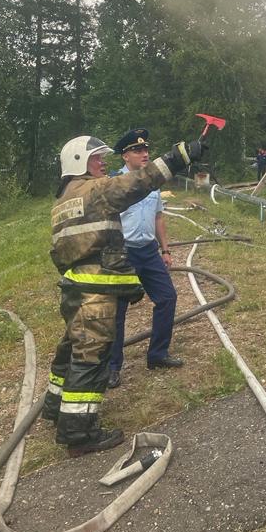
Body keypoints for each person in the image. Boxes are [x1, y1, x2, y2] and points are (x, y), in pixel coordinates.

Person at [42, 133, 206, 457]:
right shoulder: (94, 191)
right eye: (96, 159)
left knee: (69, 352)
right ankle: (78, 434)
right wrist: (179, 156)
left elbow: (61, 253)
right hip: (93, 294)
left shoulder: (63, 202)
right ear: (78, 163)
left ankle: (54, 406)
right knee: (90, 359)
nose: (103, 163)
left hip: (74, 288)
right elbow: (139, 182)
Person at [107, 128, 182, 390]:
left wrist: (166, 250)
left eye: (146, 149)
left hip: (149, 251)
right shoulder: (114, 185)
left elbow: (158, 217)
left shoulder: (153, 184)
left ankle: (157, 355)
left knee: (167, 298)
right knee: (118, 311)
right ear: (125, 156)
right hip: (124, 253)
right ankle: (113, 367)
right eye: (138, 150)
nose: (145, 153)